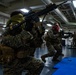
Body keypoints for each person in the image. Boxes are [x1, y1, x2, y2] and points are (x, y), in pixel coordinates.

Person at [0, 11, 44, 75]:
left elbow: (36, 44)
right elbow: (15, 42)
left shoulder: (26, 30)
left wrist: (39, 34)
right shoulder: (7, 31)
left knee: (39, 65)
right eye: (18, 17)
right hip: (11, 63)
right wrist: (26, 31)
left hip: (24, 59)